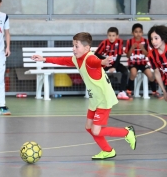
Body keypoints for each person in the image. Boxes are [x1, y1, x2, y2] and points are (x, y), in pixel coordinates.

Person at [31, 32, 137, 160]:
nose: (73, 49)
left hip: (103, 99)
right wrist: (44, 59)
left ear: (86, 48)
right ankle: (107, 150)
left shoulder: (89, 59)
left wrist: (103, 61)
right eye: (73, 45)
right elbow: (63, 60)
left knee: (96, 130)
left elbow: (97, 62)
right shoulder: (77, 59)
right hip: (95, 99)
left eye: (76, 46)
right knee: (88, 127)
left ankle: (127, 132)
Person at [125, 23, 162, 99]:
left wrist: (143, 49)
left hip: (142, 63)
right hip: (133, 63)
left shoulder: (146, 41)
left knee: (151, 75)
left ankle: (154, 91)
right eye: (136, 32)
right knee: (133, 73)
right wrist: (132, 48)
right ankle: (128, 91)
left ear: (142, 32)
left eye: (140, 32)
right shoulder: (129, 42)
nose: (138, 34)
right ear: (132, 33)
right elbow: (128, 56)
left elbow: (148, 55)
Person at [94, 27, 129, 100]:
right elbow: (96, 54)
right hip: (106, 63)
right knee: (98, 72)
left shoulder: (120, 42)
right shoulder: (104, 42)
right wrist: (106, 59)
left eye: (113, 35)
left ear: (117, 36)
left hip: (116, 63)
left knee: (125, 72)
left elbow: (119, 56)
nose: (111, 37)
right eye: (109, 35)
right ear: (107, 35)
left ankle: (121, 92)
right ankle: (100, 92)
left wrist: (114, 67)